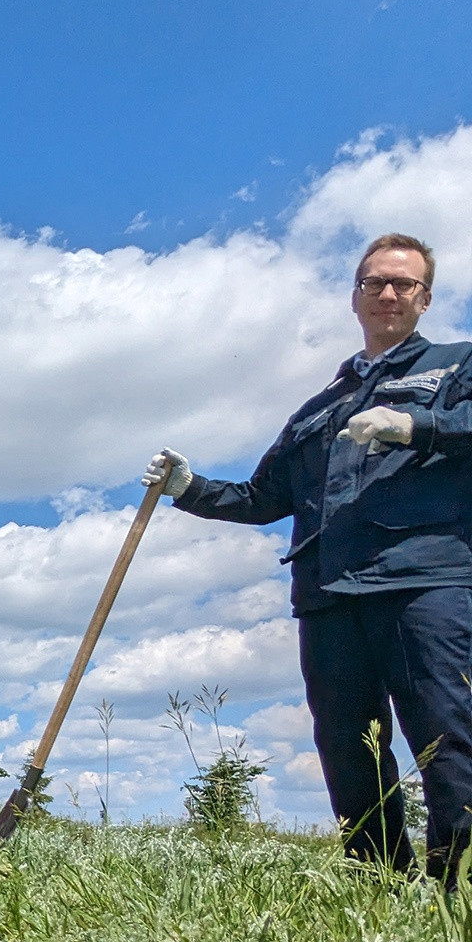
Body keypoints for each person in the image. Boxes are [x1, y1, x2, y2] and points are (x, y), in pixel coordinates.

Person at [148, 233, 472, 880]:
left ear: (425, 298)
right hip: (326, 592)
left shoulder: (458, 364)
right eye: (374, 282)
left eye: (403, 284)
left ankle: (455, 889)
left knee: (447, 731)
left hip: (423, 578)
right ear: (354, 296)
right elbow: (262, 496)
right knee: (346, 747)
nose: (387, 293)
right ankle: (379, 884)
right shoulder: (320, 406)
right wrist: (188, 488)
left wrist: (417, 425)